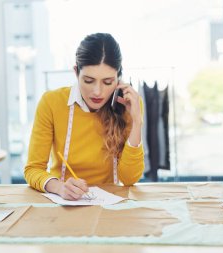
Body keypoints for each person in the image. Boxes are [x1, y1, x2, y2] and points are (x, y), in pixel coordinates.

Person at [24, 33, 144, 200]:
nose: (97, 92)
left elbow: (130, 179)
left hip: (109, 204)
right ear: (76, 72)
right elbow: (33, 169)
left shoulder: (128, 106)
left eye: (108, 82)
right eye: (88, 80)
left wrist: (137, 121)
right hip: (63, 203)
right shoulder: (51, 103)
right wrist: (59, 187)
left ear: (118, 79)